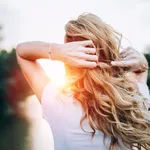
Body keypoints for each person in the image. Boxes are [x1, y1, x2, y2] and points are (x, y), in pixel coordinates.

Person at [16, 13, 150, 150]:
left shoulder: (57, 103)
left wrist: (57, 51)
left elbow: (21, 52)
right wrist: (142, 61)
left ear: (69, 60)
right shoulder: (133, 102)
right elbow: (141, 73)